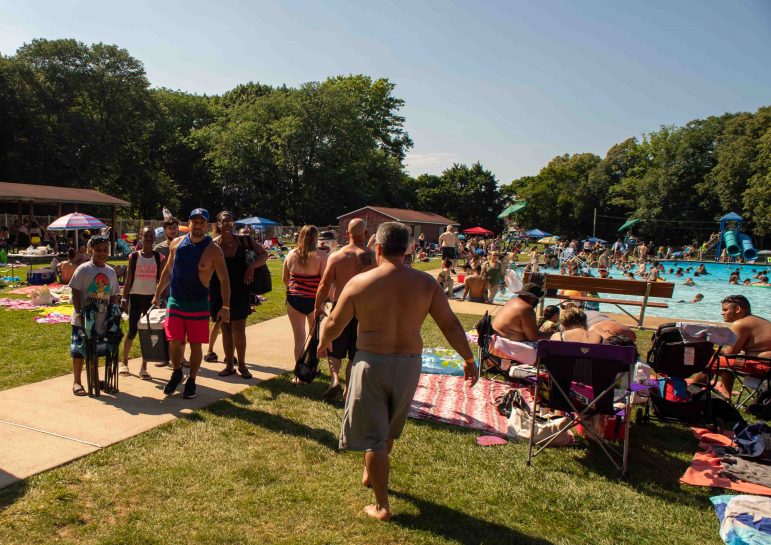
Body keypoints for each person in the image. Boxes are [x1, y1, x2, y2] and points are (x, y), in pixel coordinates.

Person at [317, 221, 477, 522]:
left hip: (370, 362)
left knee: (375, 436)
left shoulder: (360, 283)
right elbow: (450, 324)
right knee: (388, 427)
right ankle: (372, 471)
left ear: (377, 247)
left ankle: (381, 505)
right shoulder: (425, 283)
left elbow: (335, 323)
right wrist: (468, 359)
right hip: (408, 363)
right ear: (408, 248)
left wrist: (323, 344)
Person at [152, 208, 231, 400]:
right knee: (174, 342)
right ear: (189, 223)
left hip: (198, 303)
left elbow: (224, 280)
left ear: (207, 225)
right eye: (194, 222)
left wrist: (226, 307)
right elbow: (168, 270)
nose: (197, 225)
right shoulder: (177, 244)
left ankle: (192, 379)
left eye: (201, 222)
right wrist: (157, 293)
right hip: (176, 301)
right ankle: (177, 371)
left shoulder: (214, 250)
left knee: (196, 345)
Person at [314, 218, 375, 400]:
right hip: (364, 310)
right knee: (355, 352)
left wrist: (318, 306)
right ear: (365, 234)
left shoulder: (337, 256)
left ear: (347, 234)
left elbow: (324, 284)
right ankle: (348, 388)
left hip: (341, 306)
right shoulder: (373, 257)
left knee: (335, 349)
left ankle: (334, 379)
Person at [210, 211, 268, 378]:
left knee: (239, 330)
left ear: (233, 224)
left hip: (240, 289)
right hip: (219, 290)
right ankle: (229, 365)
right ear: (218, 225)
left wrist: (252, 266)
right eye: (223, 222)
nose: (227, 225)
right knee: (226, 329)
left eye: (229, 222)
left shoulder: (244, 240)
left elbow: (263, 255)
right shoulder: (213, 244)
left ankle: (242, 365)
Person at [690, 295, 771, 398]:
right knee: (728, 362)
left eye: (725, 309)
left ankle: (694, 389)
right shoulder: (760, 321)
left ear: (738, 309)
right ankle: (722, 394)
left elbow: (730, 353)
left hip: (763, 366)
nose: (722, 313)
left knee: (713, 360)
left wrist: (710, 351)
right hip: (764, 363)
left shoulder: (741, 323)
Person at [68, 235, 120, 396]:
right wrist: (79, 312)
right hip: (82, 319)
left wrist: (114, 311)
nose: (102, 253)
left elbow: (113, 295)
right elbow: (75, 291)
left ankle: (94, 379)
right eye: (98, 250)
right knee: (79, 350)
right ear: (91, 250)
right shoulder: (83, 269)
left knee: (96, 350)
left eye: (105, 250)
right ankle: (77, 382)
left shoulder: (110, 272)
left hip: (102, 319)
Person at [119, 227, 163, 380]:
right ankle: (124, 362)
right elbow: (129, 279)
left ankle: (144, 367)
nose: (149, 238)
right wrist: (124, 298)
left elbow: (160, 280)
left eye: (151, 236)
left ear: (154, 238)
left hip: (150, 299)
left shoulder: (159, 257)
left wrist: (159, 297)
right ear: (141, 238)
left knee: (148, 333)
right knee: (132, 331)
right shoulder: (134, 256)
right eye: (146, 236)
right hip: (135, 296)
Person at [284, 225, 328, 361]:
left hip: (294, 299)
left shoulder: (291, 254)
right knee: (313, 336)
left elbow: (285, 279)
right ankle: (310, 366)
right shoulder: (321, 256)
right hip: (313, 300)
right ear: (316, 238)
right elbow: (324, 282)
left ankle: (298, 374)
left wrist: (296, 290)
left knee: (299, 339)